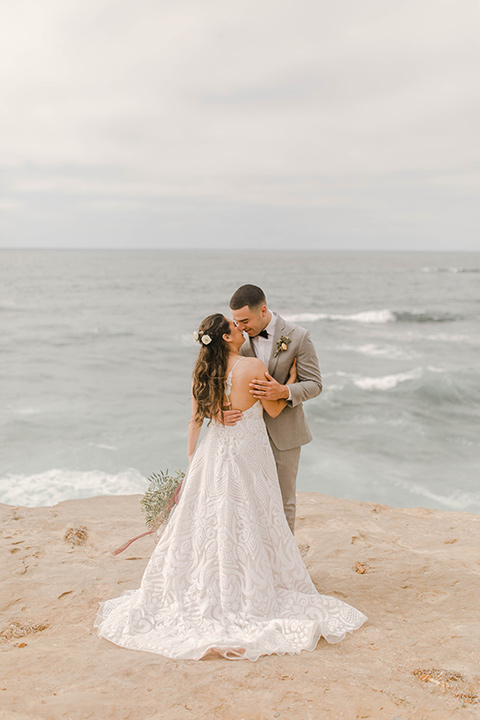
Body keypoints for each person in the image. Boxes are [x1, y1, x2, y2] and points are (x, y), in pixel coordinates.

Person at [94, 313, 366, 660]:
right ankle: (254, 582)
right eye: (234, 326)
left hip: (214, 449)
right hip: (249, 451)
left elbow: (195, 420)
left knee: (211, 516)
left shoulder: (203, 371)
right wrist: (290, 381)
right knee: (253, 512)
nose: (240, 329)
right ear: (224, 337)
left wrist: (193, 460)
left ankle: (213, 580)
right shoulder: (252, 367)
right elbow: (273, 407)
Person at [227, 284, 322, 534]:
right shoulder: (237, 341)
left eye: (245, 320)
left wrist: (285, 392)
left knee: (282, 500)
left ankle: (286, 566)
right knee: (250, 499)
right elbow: (220, 379)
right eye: (236, 322)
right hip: (248, 433)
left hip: (285, 434)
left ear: (264, 310)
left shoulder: (298, 336)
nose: (240, 327)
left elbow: (315, 384)